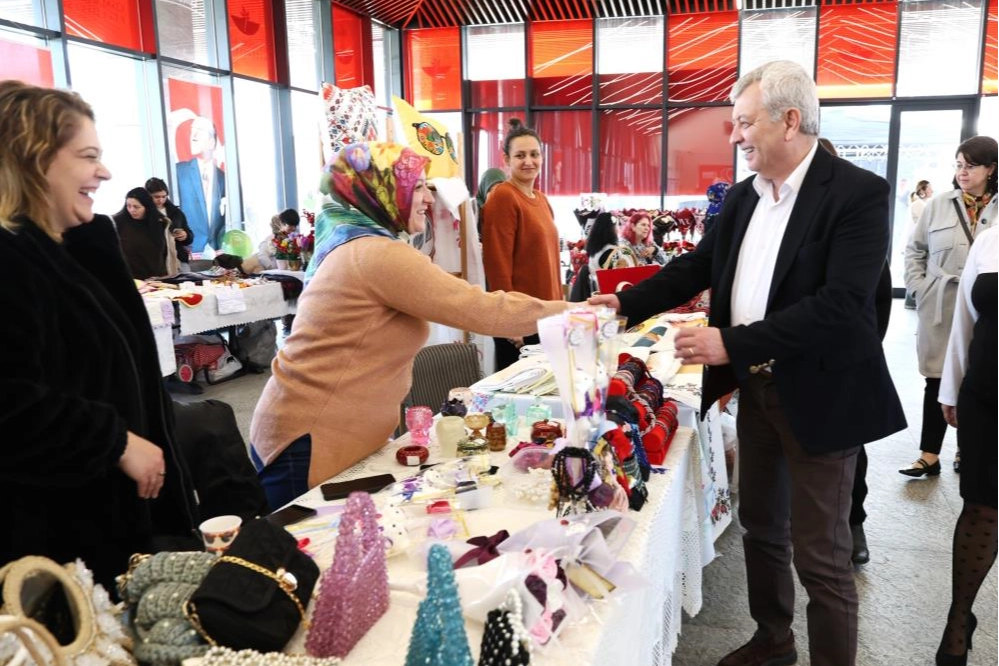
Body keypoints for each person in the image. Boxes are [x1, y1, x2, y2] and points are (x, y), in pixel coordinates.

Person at [590, 61, 905, 666]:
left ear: (789, 121)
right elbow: (696, 267)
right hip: (758, 391)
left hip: (822, 396)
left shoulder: (857, 194)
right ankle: (773, 640)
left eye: (743, 122)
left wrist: (732, 344)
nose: (734, 136)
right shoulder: (742, 197)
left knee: (822, 556)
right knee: (761, 526)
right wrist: (625, 302)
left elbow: (841, 306)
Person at [249, 142, 567, 508]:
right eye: (417, 187)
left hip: (316, 430)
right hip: (309, 439)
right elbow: (482, 309)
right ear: (380, 192)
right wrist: (576, 310)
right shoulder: (377, 254)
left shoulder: (356, 243)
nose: (429, 199)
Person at [0, 81, 198, 591]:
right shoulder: (12, 260)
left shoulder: (69, 249)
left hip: (105, 524)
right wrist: (114, 440)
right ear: (33, 159)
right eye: (88, 156)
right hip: (54, 551)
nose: (105, 172)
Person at [900, 136, 998, 478]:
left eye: (970, 165)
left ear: (991, 168)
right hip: (942, 305)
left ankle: (965, 450)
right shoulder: (939, 204)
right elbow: (915, 250)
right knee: (937, 378)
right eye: (958, 165)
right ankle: (929, 454)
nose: (962, 172)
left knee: (977, 377)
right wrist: (920, 289)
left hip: (986, 309)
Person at [816, 137, 893, 565]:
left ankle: (854, 522)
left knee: (850, 452)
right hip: (795, 361)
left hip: (846, 361)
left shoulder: (857, 218)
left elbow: (879, 302)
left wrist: (860, 350)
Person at [935, 220, 999, 666]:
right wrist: (950, 389)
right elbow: (965, 320)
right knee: (981, 507)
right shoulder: (992, 239)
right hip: (988, 395)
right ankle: (958, 619)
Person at [481, 119, 562, 371]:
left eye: (534, 154)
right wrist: (511, 321)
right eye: (520, 155)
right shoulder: (503, 197)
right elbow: (497, 265)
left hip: (547, 318)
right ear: (506, 159)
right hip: (521, 324)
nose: (529, 161)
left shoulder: (542, 199)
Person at [176, 116, 225, 253]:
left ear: (212, 142)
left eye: (200, 130)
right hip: (190, 249)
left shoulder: (222, 178)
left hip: (217, 250)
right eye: (192, 130)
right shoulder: (179, 172)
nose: (194, 136)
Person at [114, 187, 179, 279]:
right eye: (128, 206)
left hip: (158, 278)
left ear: (147, 207)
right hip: (131, 278)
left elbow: (167, 253)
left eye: (136, 207)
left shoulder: (162, 222)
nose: (132, 210)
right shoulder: (118, 222)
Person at [145, 177, 193, 271]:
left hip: (178, 258)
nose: (160, 200)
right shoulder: (143, 214)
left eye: (164, 196)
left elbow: (189, 234)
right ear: (148, 195)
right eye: (156, 197)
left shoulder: (176, 212)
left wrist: (186, 235)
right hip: (155, 261)